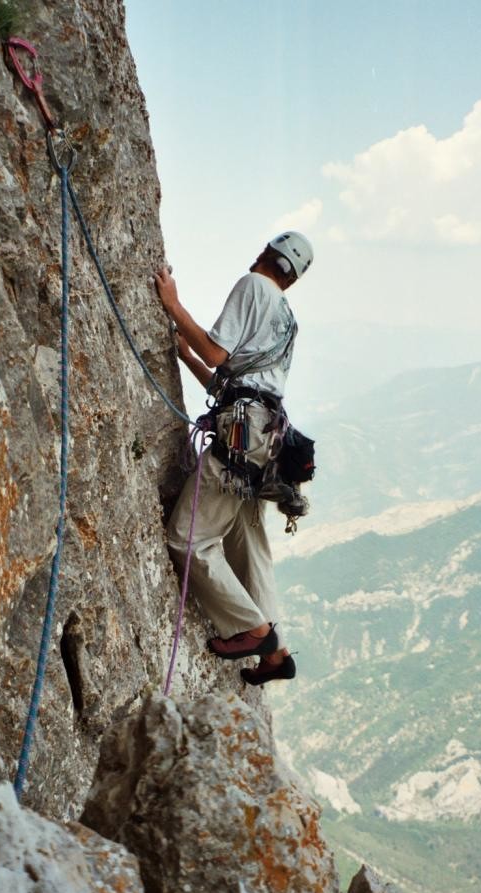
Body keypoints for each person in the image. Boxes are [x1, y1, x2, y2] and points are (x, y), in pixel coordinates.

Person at [155, 231, 313, 685]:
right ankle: (277, 657)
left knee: (188, 539)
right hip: (265, 438)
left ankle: (254, 631)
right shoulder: (285, 314)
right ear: (294, 279)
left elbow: (217, 352)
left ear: (266, 254)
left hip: (241, 436)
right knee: (249, 548)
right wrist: (186, 359)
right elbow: (238, 379)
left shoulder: (253, 286)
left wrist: (173, 304)